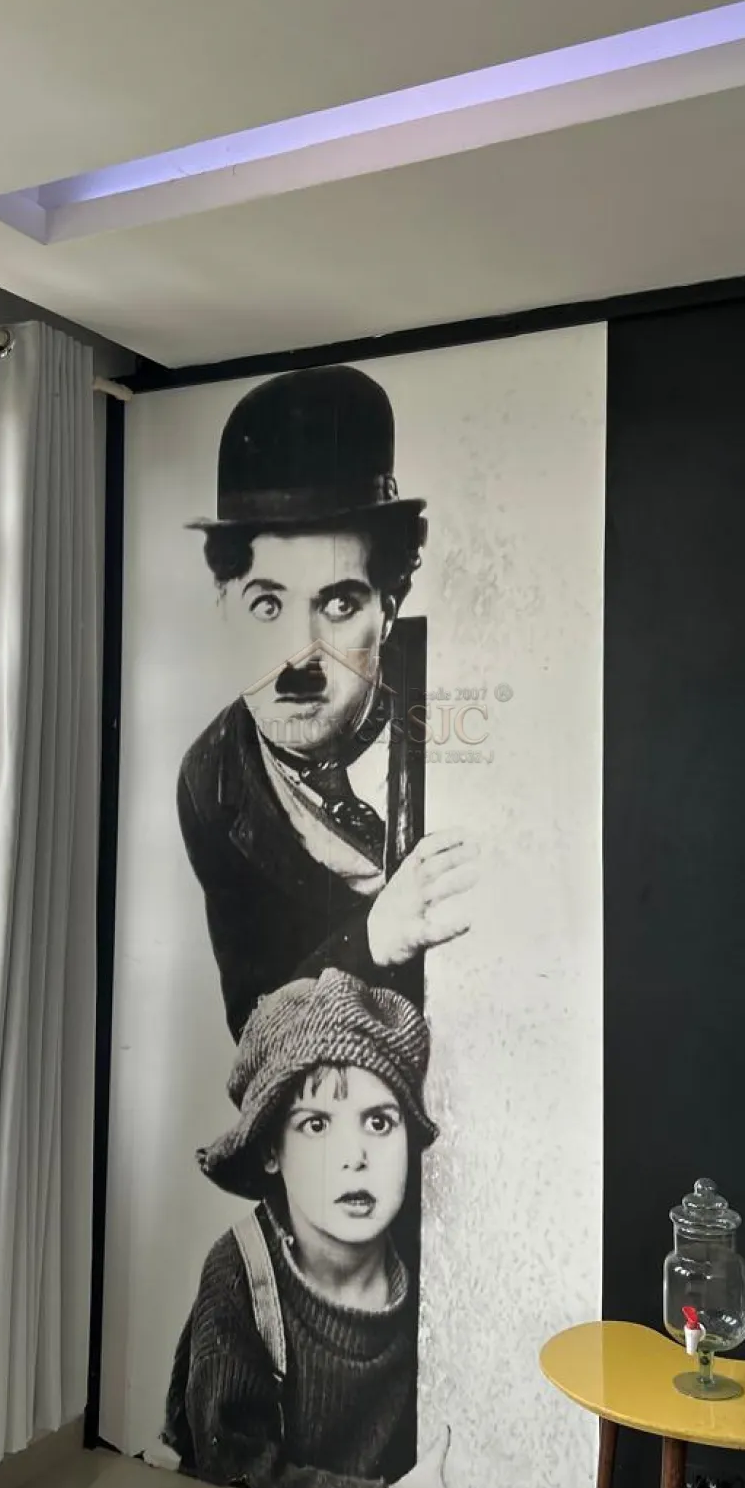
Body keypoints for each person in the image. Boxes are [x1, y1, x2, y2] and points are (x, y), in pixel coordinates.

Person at [162, 969, 515, 1488]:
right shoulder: (241, 1275)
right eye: (317, 1125)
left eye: (379, 1122)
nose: (354, 1157)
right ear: (271, 1149)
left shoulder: (434, 1277)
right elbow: (229, 1469)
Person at [178, 365, 477, 1038]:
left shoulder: (459, 699)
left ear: (389, 609)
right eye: (267, 605)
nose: (298, 661)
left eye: (339, 604)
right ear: (224, 609)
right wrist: (373, 939)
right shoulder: (211, 782)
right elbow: (259, 1026)